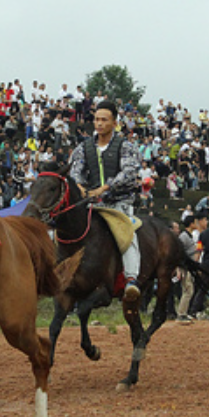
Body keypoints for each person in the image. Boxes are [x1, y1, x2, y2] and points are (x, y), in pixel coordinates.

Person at [69, 100, 143, 301]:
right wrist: (82, 188)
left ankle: (131, 279)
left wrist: (105, 187)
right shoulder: (83, 148)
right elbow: (75, 172)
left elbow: (129, 172)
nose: (99, 123)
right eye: (96, 119)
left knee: (128, 235)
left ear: (114, 122)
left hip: (120, 203)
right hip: (92, 204)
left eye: (104, 120)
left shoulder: (126, 147)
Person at [176, 213, 205, 323]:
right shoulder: (184, 236)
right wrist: (179, 268)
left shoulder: (189, 235)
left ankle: (184, 312)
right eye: (195, 222)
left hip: (190, 267)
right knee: (188, 290)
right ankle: (181, 314)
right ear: (191, 224)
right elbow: (178, 253)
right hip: (185, 267)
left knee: (188, 290)